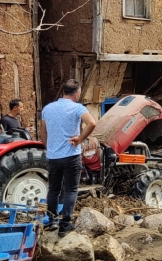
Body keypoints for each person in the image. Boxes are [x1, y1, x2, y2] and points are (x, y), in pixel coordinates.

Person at [41, 79, 96, 237]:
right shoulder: (77, 108)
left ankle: (52, 221)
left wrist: (48, 147)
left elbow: (43, 132)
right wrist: (79, 138)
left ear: (63, 92)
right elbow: (92, 123)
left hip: (53, 157)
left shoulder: (47, 108)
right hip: (71, 156)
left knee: (53, 190)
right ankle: (65, 225)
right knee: (71, 190)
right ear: (77, 94)